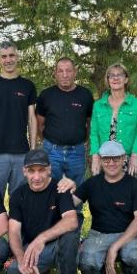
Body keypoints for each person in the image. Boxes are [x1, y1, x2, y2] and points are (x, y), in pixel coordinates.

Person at [59, 141, 137, 274]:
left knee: (135, 256)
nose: (111, 163)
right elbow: (68, 204)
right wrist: (67, 187)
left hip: (129, 233)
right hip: (99, 234)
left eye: (116, 158)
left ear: (123, 159)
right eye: (106, 159)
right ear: (100, 160)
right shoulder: (92, 183)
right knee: (88, 263)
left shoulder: (134, 185)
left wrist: (114, 248)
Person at [6, 149, 79, 274]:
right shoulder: (18, 195)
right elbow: (14, 232)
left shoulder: (60, 189)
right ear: (24, 171)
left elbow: (71, 220)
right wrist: (20, 258)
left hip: (57, 246)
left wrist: (42, 238)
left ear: (49, 169)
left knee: (71, 235)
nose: (36, 177)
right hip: (32, 250)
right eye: (31, 171)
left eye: (41, 170)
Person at [0, 41, 37, 197]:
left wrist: (33, 150)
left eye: (11, 55)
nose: (8, 60)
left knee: (20, 201)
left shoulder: (27, 85)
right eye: (4, 56)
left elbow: (32, 118)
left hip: (21, 153)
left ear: (17, 57)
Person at [36, 57, 93, 186]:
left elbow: (89, 123)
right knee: (51, 191)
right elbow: (40, 124)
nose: (65, 75)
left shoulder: (85, 95)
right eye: (60, 71)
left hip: (77, 152)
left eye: (68, 71)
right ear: (55, 74)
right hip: (51, 152)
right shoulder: (46, 95)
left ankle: (73, 208)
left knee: (76, 192)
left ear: (75, 72)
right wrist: (48, 143)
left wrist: (82, 140)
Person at [90, 63, 137, 178]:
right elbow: (94, 134)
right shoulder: (98, 105)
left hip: (128, 159)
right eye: (111, 75)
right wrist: (95, 158)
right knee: (104, 195)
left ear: (126, 79)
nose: (115, 78)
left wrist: (135, 156)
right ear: (108, 80)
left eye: (119, 75)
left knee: (132, 194)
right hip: (105, 160)